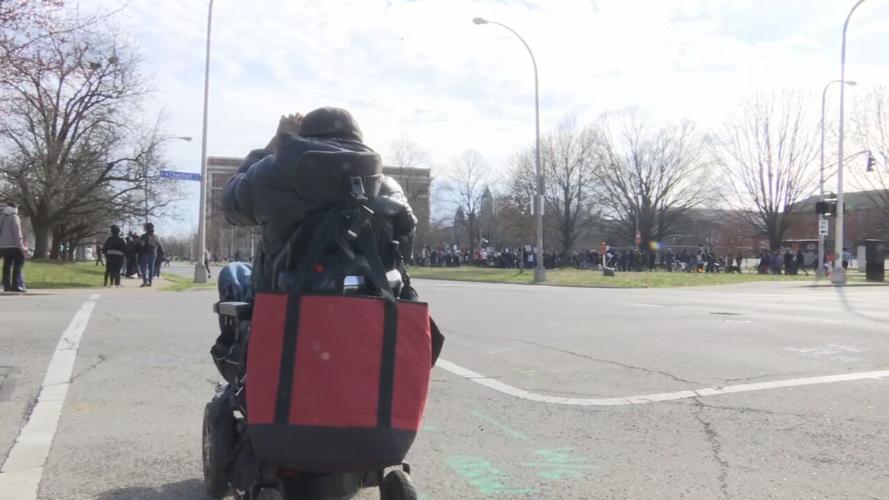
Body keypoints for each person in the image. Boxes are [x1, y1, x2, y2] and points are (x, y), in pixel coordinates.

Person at [222, 107, 415, 295]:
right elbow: (402, 249)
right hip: (369, 307)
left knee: (234, 272)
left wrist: (275, 143)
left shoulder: (272, 174)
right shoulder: (388, 188)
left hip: (280, 300)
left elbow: (231, 205)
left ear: (304, 136)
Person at [0, 202, 26, 293]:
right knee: (18, 264)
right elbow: (16, 233)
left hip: (3, 246)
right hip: (14, 246)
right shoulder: (14, 217)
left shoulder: (3, 217)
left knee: (7, 265)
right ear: (15, 208)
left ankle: (6, 285)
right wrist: (21, 247)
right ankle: (17, 284)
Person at [137, 222, 160, 287]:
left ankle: (144, 281)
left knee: (143, 267)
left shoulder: (144, 236)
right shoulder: (156, 236)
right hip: (153, 253)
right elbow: (157, 245)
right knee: (151, 268)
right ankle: (150, 282)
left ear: (146, 228)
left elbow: (142, 245)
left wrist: (138, 243)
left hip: (145, 253)